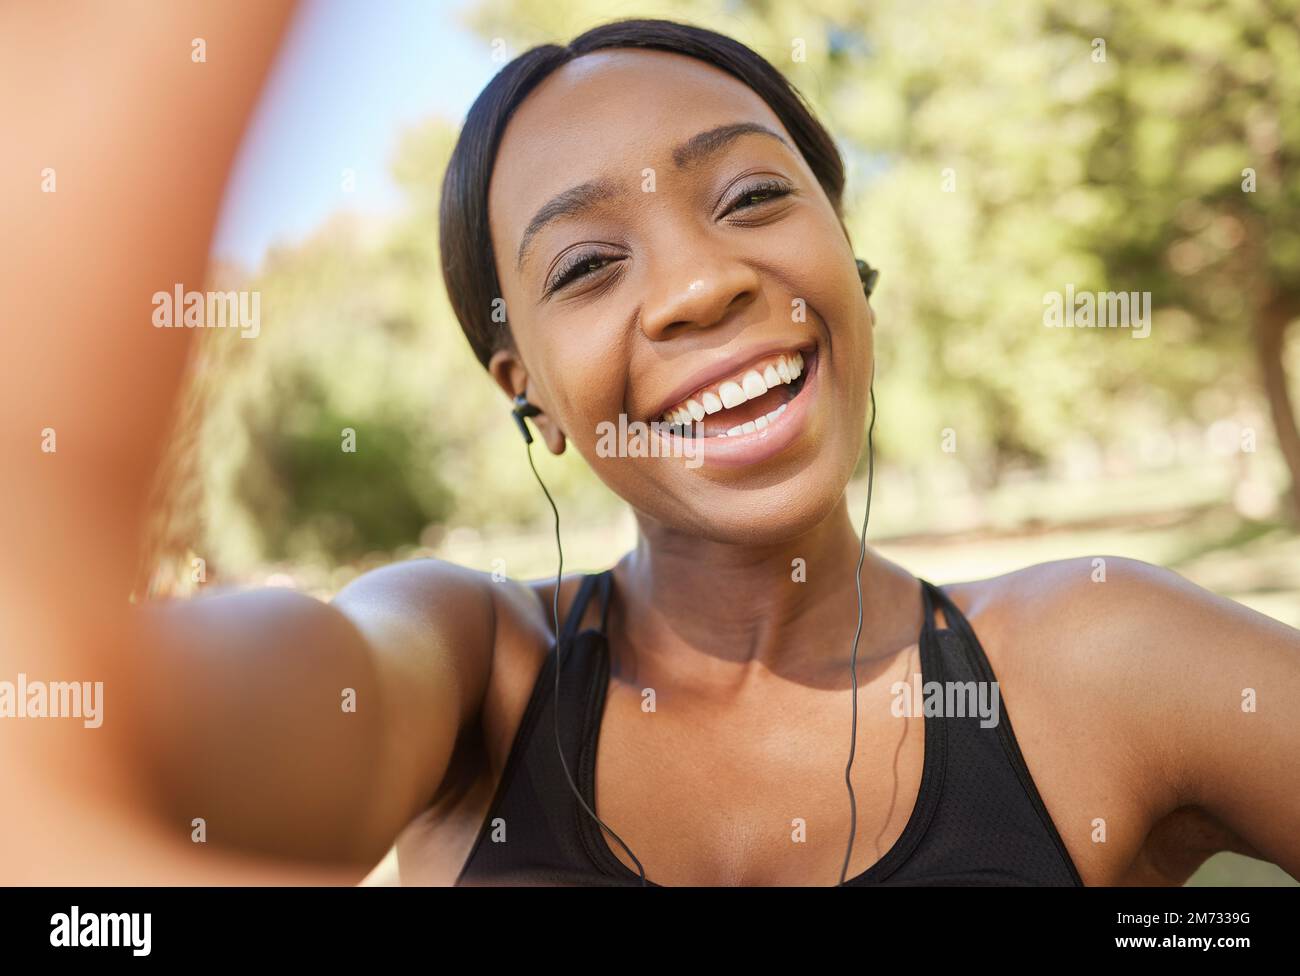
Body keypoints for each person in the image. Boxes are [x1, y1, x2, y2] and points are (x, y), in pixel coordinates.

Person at [4, 11, 1297, 886]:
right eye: (585, 265)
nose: (695, 285)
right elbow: (138, 733)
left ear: (848, 264)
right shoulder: (469, 671)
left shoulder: (1106, 658)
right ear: (533, 398)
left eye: (749, 195)